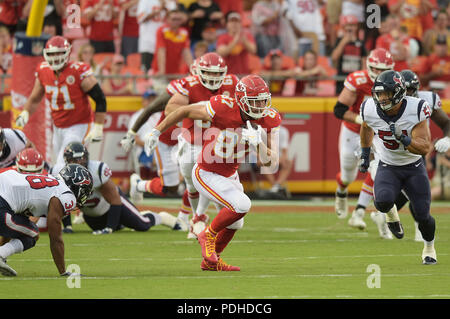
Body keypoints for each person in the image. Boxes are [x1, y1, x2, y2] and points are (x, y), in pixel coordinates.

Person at [143, 74, 281, 271]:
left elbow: (271, 161)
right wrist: (157, 131)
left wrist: (258, 144)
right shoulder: (222, 107)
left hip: (229, 175)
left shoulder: (269, 119)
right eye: (255, 102)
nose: (260, 107)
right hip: (207, 172)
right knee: (242, 204)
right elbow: (184, 110)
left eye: (263, 102)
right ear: (241, 100)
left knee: (236, 224)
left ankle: (211, 262)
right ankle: (207, 234)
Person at [123, 53, 239, 239]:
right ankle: (140, 185)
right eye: (208, 73)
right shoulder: (185, 86)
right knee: (172, 187)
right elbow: (157, 108)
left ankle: (191, 217)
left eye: (217, 74)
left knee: (199, 179)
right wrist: (134, 132)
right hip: (171, 139)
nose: (213, 78)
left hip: (194, 139)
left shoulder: (231, 83)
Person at [359, 70, 437, 265]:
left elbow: (425, 148)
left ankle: (429, 247)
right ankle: (392, 217)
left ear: (399, 93)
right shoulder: (369, 108)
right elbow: (366, 127)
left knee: (422, 215)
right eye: (379, 94)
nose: (382, 98)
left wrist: (404, 138)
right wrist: (365, 153)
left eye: (386, 94)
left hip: (413, 166)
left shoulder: (416, 108)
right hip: (389, 165)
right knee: (382, 202)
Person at [369, 69, 450, 241]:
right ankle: (389, 215)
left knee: (415, 193)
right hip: (392, 151)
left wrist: (448, 138)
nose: (410, 93)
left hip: (416, 148)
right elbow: (369, 126)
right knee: (404, 191)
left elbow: (446, 123)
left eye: (412, 90)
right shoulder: (381, 105)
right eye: (408, 90)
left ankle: (398, 220)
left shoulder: (425, 101)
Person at [50, 142, 181, 235]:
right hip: (92, 214)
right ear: (67, 160)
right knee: (114, 226)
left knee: (142, 225)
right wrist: (67, 226)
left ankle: (162, 218)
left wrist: (109, 228)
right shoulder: (59, 171)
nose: (79, 163)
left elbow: (115, 199)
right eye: (74, 160)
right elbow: (61, 201)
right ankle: (120, 221)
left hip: (112, 205)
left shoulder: (96, 170)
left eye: (82, 159)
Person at [15, 36, 107, 167]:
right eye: (52, 54)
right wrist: (25, 112)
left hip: (79, 125)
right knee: (62, 164)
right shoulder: (43, 70)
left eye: (59, 53)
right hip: (58, 126)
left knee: (62, 165)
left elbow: (100, 99)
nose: (56, 57)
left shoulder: (78, 71)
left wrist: (98, 126)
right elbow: (35, 99)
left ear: (68, 53)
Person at [333, 48, 394, 228]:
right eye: (376, 69)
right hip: (353, 131)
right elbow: (339, 110)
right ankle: (341, 191)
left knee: (378, 169)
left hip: (377, 133)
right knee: (347, 176)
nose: (380, 74)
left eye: (384, 70)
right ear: (369, 66)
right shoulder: (358, 80)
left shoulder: (394, 82)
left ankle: (362, 211)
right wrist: (360, 119)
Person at [0, 163, 93, 276]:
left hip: (4, 189)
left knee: (22, 227)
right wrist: (63, 271)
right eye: (84, 190)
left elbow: (11, 228)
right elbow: (55, 238)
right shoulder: (65, 194)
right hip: (3, 202)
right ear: (76, 185)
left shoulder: (49, 180)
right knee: (33, 234)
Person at [331, 15, 367, 95]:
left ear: (356, 27)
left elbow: (364, 63)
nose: (350, 28)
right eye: (348, 25)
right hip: (341, 80)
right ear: (344, 27)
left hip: (355, 80)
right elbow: (334, 57)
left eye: (353, 25)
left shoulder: (360, 43)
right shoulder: (340, 40)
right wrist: (344, 42)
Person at [137, 0, 177, 72]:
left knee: (166, 71)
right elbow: (140, 18)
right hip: (148, 42)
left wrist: (166, 10)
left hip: (166, 43)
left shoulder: (171, 2)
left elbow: (175, 22)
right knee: (147, 70)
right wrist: (159, 9)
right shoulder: (145, 1)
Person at [152, 8, 193, 78]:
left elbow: (186, 52)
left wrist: (193, 70)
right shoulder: (162, 30)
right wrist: (162, 70)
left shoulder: (184, 32)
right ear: (167, 20)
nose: (176, 22)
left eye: (178, 19)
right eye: (174, 19)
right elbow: (161, 50)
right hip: (160, 72)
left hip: (176, 72)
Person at [216, 11, 257, 76]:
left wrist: (244, 41)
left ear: (240, 24)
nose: (234, 24)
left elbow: (253, 50)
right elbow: (221, 53)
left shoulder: (247, 36)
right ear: (227, 24)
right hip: (228, 75)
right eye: (232, 21)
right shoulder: (222, 37)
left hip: (244, 74)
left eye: (237, 21)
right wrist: (235, 40)